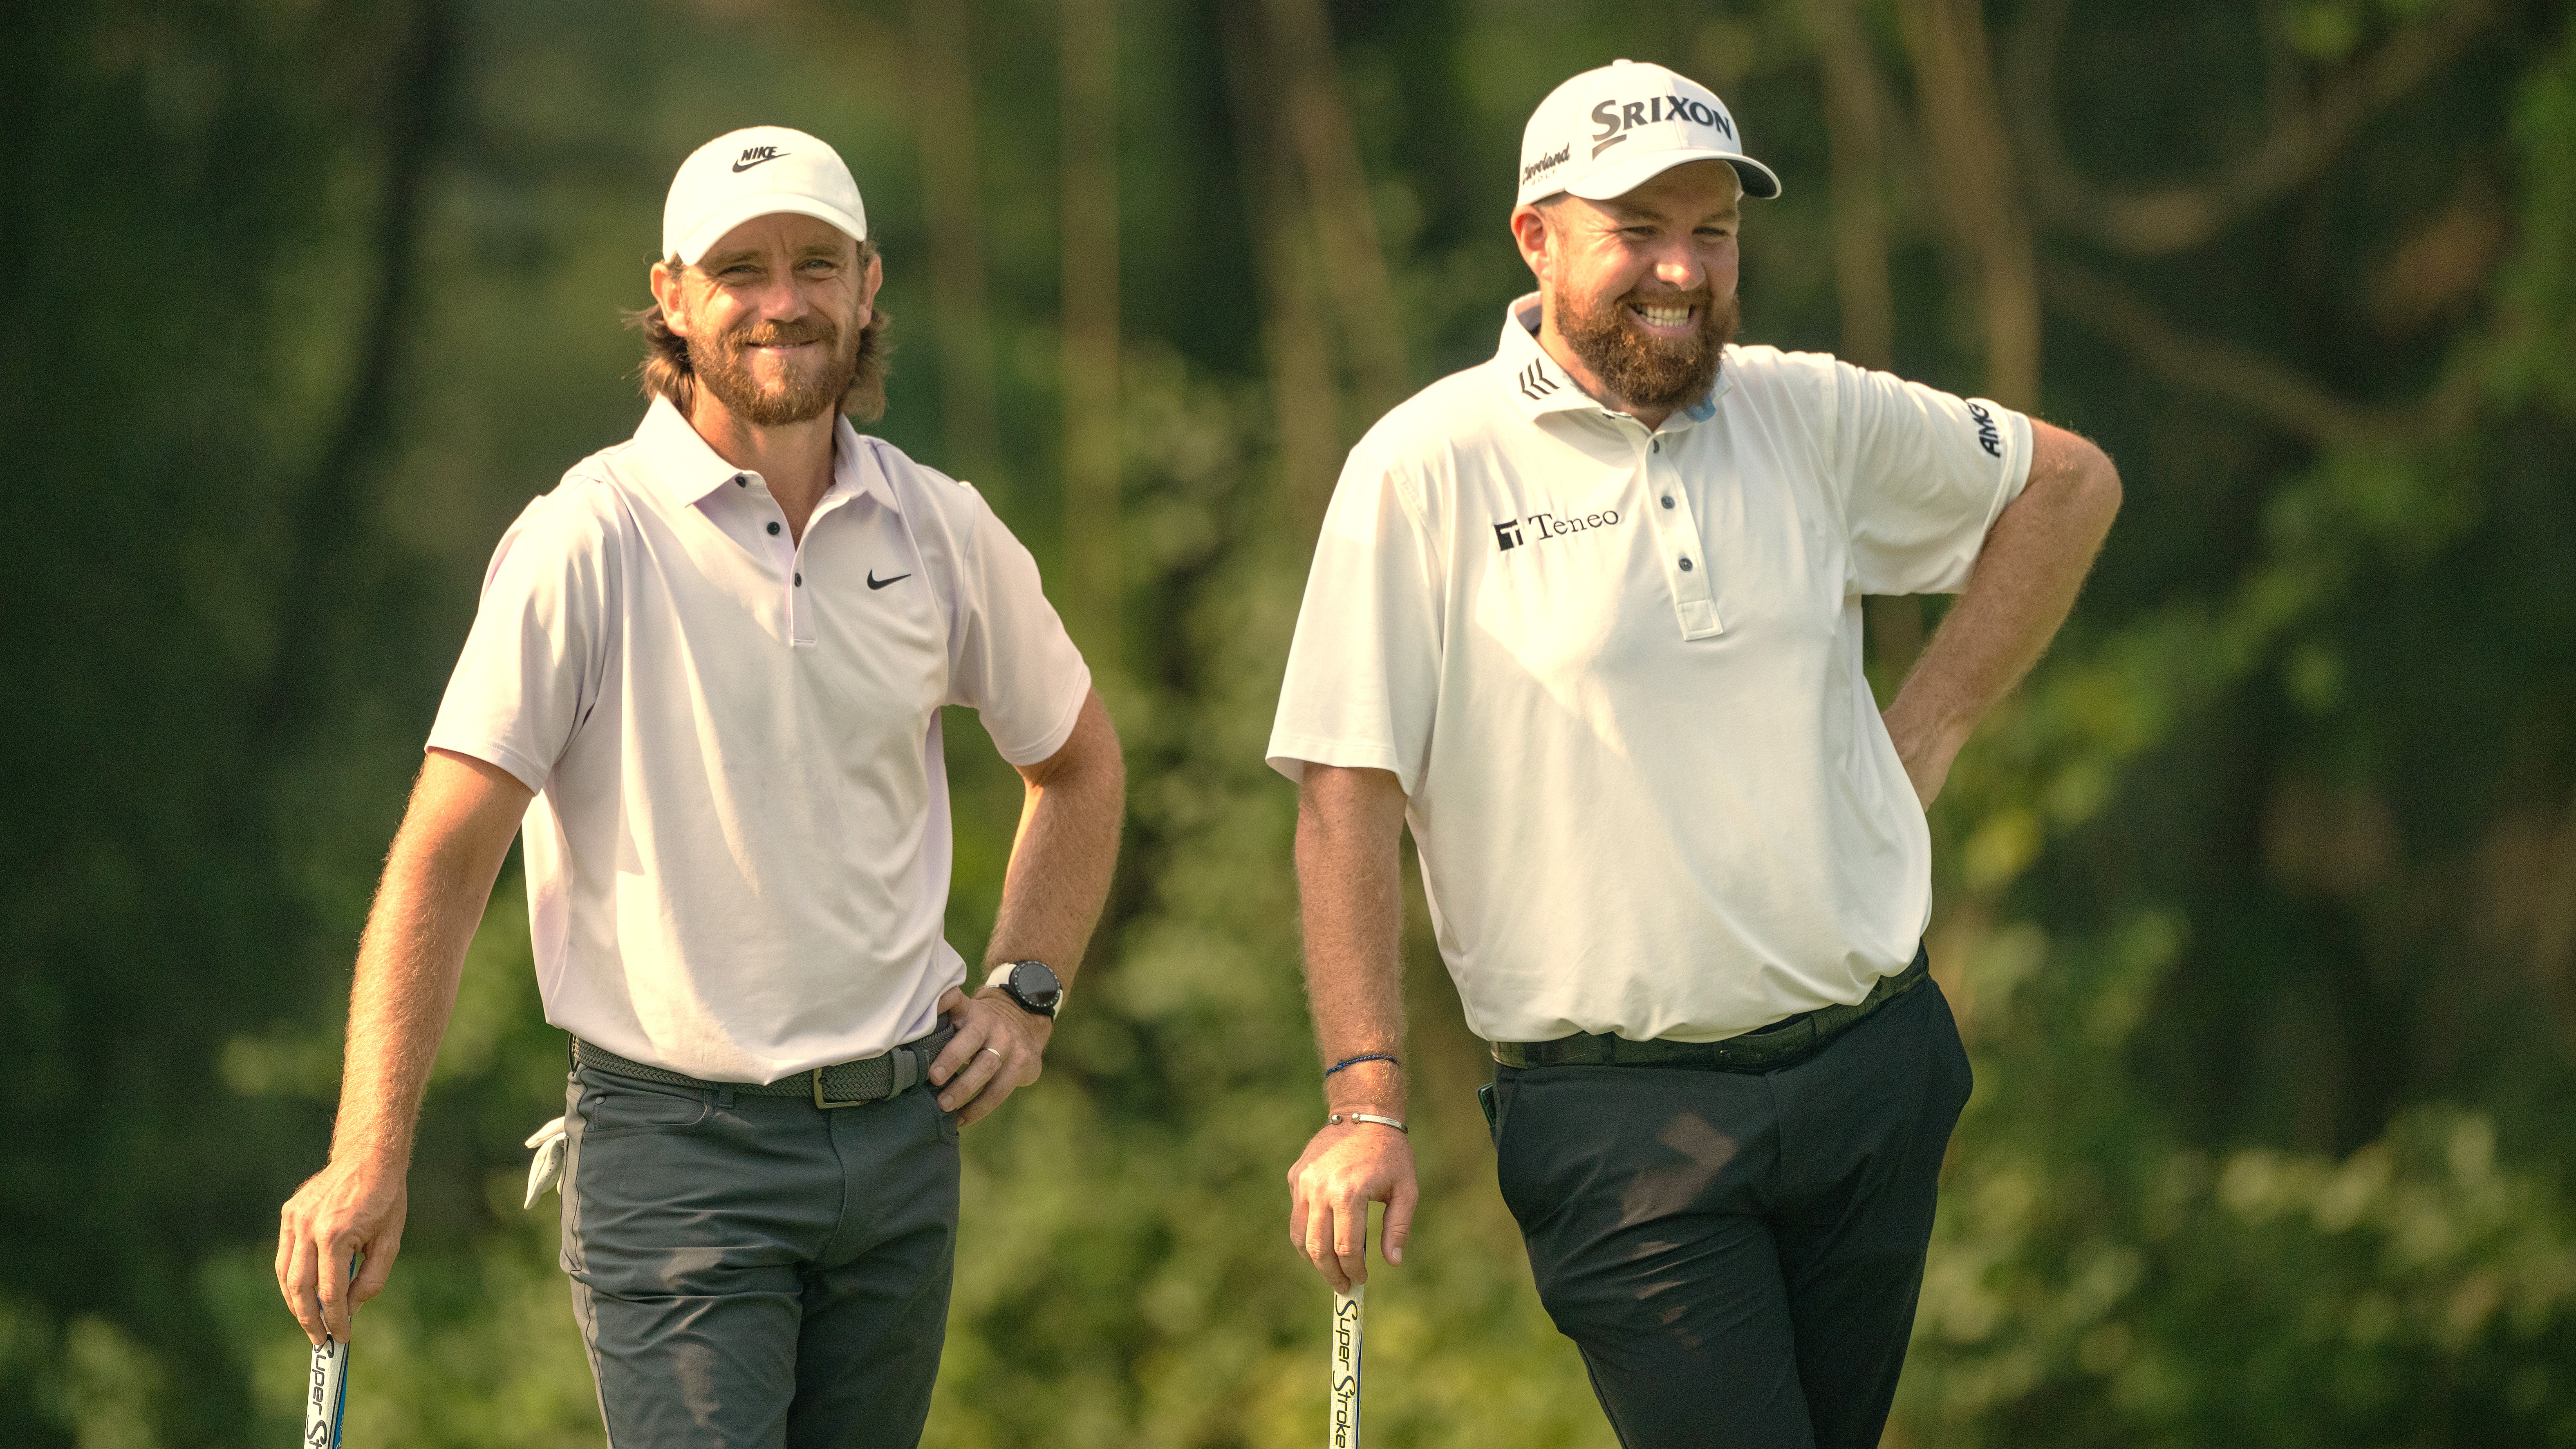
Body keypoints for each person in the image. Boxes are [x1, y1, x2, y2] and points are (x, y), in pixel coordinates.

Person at [1270, 61, 2120, 1449]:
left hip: (1873, 1070)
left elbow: (2067, 483)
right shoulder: (1424, 466)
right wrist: (1366, 1098)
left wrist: (1931, 725)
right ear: (1537, 238)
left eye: (1712, 231)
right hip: (1621, 1123)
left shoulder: (1810, 410)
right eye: (1639, 230)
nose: (1682, 268)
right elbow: (1343, 798)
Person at [274, 126, 1124, 1448]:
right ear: (674, 295)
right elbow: (445, 854)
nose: (782, 299)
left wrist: (1024, 991)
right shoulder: (589, 537)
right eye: (741, 270)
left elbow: (1077, 765)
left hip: (899, 1146)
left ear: (867, 285)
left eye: (814, 265)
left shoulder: (941, 527)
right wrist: (369, 1152)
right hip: (676, 1156)